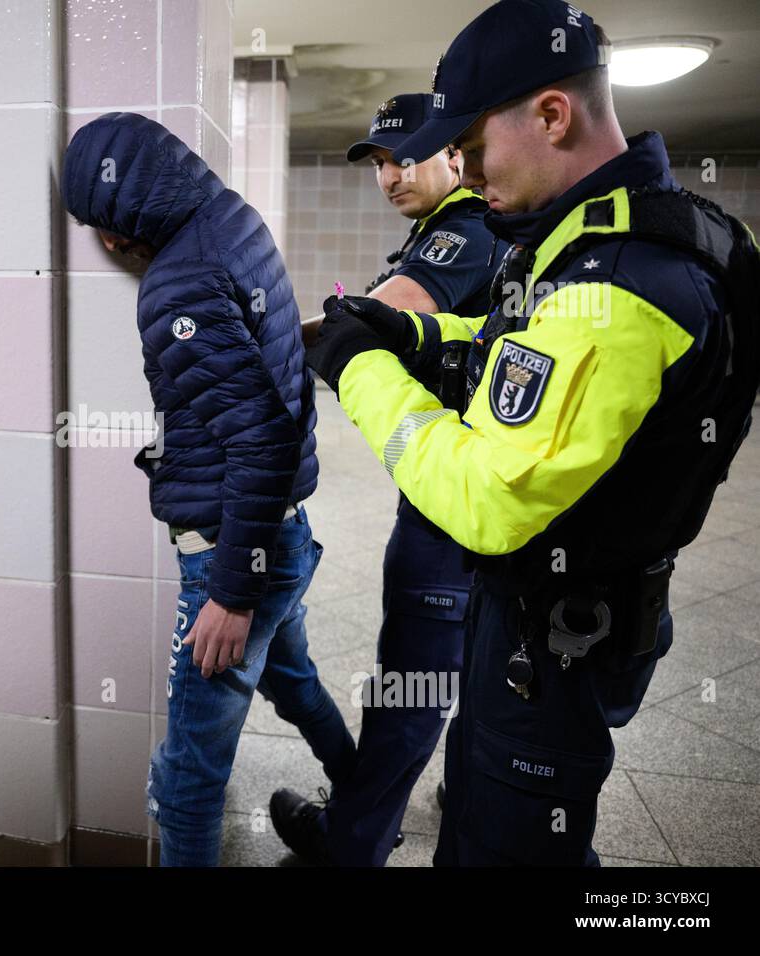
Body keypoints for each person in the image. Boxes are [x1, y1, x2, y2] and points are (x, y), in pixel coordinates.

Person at [303, 0, 759, 865]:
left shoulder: (622, 281)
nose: (466, 174)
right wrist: (412, 335)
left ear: (551, 114)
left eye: (471, 149)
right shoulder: (617, 234)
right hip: (545, 611)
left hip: (555, 642)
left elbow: (488, 498)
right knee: (492, 817)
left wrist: (357, 366)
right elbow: (523, 343)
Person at [62, 111, 355, 866]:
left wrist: (229, 593)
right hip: (281, 532)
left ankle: (360, 809)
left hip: (236, 551)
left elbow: (259, 434)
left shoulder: (178, 285)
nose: (102, 242)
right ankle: (364, 807)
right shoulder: (233, 220)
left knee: (187, 775)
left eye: (98, 223)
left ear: (120, 222)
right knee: (294, 684)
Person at [272, 92, 507, 866]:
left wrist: (256, 340)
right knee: (476, 670)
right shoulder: (473, 228)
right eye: (378, 162)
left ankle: (352, 845)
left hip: (447, 506)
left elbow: (365, 321)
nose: (389, 174)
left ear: (455, 156)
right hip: (486, 495)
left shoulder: (461, 233)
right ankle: (467, 799)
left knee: (409, 688)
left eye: (406, 157)